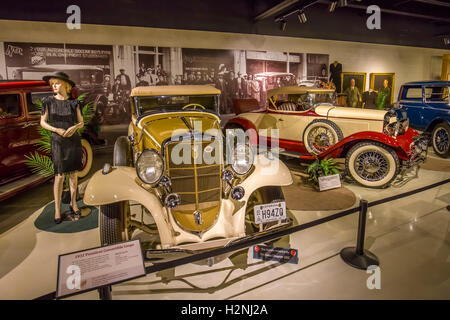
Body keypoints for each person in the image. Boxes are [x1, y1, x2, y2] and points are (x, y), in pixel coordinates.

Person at [40, 72, 84, 224]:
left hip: (73, 141)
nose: (54, 86)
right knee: (59, 176)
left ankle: (73, 203)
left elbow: (81, 122)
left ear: (66, 85)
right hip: (57, 141)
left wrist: (74, 127)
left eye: (56, 83)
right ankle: (58, 209)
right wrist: (56, 130)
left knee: (73, 174)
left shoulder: (74, 103)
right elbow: (43, 122)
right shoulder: (48, 102)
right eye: (52, 84)